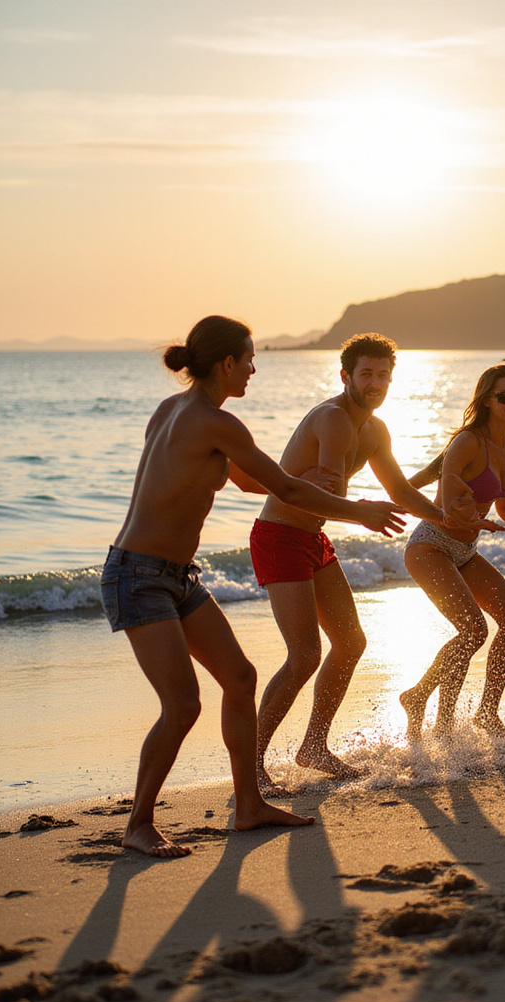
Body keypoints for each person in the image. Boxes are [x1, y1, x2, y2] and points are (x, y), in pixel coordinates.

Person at [101, 316, 406, 857]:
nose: (253, 368)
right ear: (226, 365)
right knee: (183, 705)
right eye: (249, 359)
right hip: (138, 575)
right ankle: (138, 822)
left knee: (240, 678)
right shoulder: (218, 422)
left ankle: (248, 805)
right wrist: (357, 510)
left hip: (176, 577)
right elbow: (283, 486)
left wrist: (300, 485)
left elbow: (246, 478)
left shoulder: (176, 412)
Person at [237, 333, 494, 794]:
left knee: (350, 642)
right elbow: (334, 495)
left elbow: (400, 493)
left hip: (313, 537)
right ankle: (251, 767)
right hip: (279, 537)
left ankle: (314, 747)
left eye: (383, 375)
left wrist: (450, 519)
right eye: (367, 374)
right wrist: (357, 506)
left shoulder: (375, 430)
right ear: (346, 377)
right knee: (304, 656)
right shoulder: (334, 419)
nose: (376, 383)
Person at [400, 364, 505, 743]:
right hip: (431, 546)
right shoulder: (467, 442)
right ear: (486, 401)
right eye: (504, 396)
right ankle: (427, 707)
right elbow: (442, 497)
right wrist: (468, 519)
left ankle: (486, 713)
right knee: (473, 629)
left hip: (466, 548)